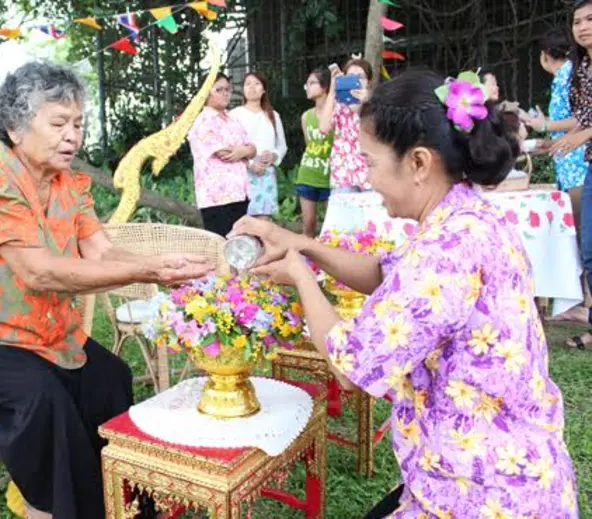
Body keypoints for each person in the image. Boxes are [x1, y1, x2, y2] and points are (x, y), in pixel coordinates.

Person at [231, 69, 578, 518]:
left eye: (370, 163)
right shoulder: (464, 216)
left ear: (418, 163)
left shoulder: (446, 251)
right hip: (502, 470)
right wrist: (300, 243)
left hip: (485, 496)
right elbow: (384, 273)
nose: (367, 178)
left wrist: (300, 274)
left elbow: (351, 365)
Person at [0, 62, 212, 519]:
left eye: (79, 124)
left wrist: (160, 265)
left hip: (49, 333)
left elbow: (102, 251)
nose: (73, 136)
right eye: (59, 123)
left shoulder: (68, 184)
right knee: (43, 396)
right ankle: (61, 507)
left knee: (111, 378)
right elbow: (39, 273)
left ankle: (125, 501)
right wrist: (147, 270)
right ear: (15, 128)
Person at [522, 28, 590, 323]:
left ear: (544, 56)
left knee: (582, 235)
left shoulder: (567, 75)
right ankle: (581, 303)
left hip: (577, 162)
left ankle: (583, 304)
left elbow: (579, 120)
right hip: (570, 158)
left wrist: (545, 125)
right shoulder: (575, 72)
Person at [188, 73, 257, 237]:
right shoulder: (202, 121)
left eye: (227, 89)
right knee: (221, 244)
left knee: (240, 244)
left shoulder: (233, 120)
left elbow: (253, 148)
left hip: (239, 193)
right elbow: (224, 153)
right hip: (216, 197)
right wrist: (243, 151)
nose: (225, 93)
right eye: (219, 90)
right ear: (206, 93)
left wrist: (243, 151)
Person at [230, 72, 288, 220]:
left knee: (264, 220)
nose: (252, 87)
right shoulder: (234, 115)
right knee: (242, 220)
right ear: (243, 89)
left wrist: (274, 155)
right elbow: (231, 147)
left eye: (256, 84)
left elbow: (282, 146)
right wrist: (249, 164)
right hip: (242, 172)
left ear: (263, 90)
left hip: (265, 173)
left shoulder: (273, 115)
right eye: (248, 84)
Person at [319, 58, 374, 192]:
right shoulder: (338, 104)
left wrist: (365, 103)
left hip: (370, 172)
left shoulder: (375, 102)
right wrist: (333, 89)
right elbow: (323, 128)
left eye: (360, 77)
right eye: (350, 76)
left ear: (368, 81)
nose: (355, 80)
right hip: (343, 173)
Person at [295, 68, 335, 237]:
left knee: (332, 226)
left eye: (312, 83)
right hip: (308, 174)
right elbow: (309, 144)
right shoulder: (306, 116)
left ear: (325, 87)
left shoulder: (336, 114)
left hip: (330, 176)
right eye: (307, 84)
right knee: (308, 223)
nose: (307, 87)